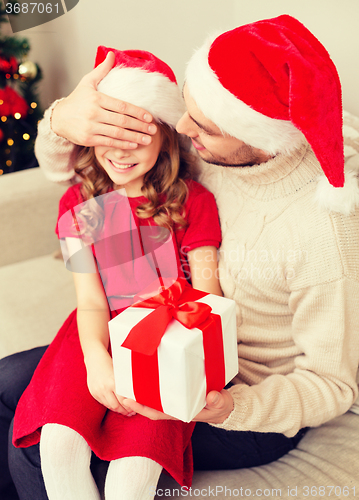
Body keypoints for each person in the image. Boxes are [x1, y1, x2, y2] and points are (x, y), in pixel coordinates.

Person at [1, 13, 359, 500]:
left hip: (240, 396)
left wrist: (227, 406)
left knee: (35, 446)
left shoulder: (321, 236)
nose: (182, 125)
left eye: (203, 127)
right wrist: (63, 118)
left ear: (253, 136)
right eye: (186, 108)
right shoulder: (203, 151)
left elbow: (332, 387)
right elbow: (79, 168)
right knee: (8, 385)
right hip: (148, 335)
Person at [11, 45, 224, 500]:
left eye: (138, 135)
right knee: (59, 447)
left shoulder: (194, 203)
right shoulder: (77, 206)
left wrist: (179, 366)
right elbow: (89, 301)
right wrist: (96, 359)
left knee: (134, 473)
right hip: (94, 334)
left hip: (167, 342)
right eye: (110, 133)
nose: (120, 151)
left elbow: (207, 295)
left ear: (167, 136)